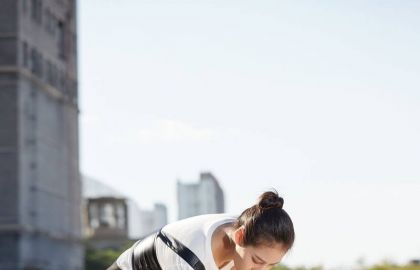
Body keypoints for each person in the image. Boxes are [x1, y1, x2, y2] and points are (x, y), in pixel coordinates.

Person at [107, 190, 295, 270]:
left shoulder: (249, 226)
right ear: (239, 236)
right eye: (257, 261)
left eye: (271, 265)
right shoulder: (189, 255)